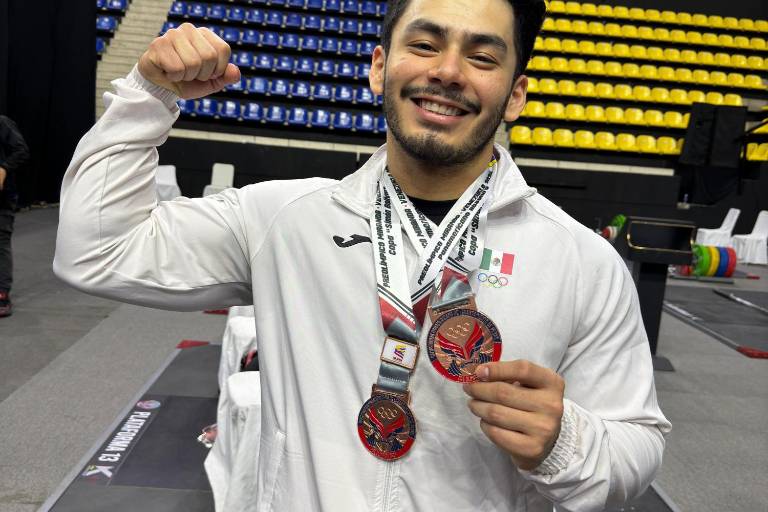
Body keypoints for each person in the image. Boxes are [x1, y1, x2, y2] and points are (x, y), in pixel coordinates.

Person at [54, 0, 671, 510]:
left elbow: (636, 447)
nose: (450, 72)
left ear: (514, 95)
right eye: (425, 45)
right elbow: (96, 249)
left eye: (483, 57)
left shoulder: (582, 260)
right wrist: (148, 98)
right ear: (379, 67)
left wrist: (564, 442)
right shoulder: (285, 221)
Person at [0, 114, 30, 318]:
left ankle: (2, 295)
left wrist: (3, 168)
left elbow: (21, 150)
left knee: (0, 243)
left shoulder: (2, 123)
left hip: (2, 198)